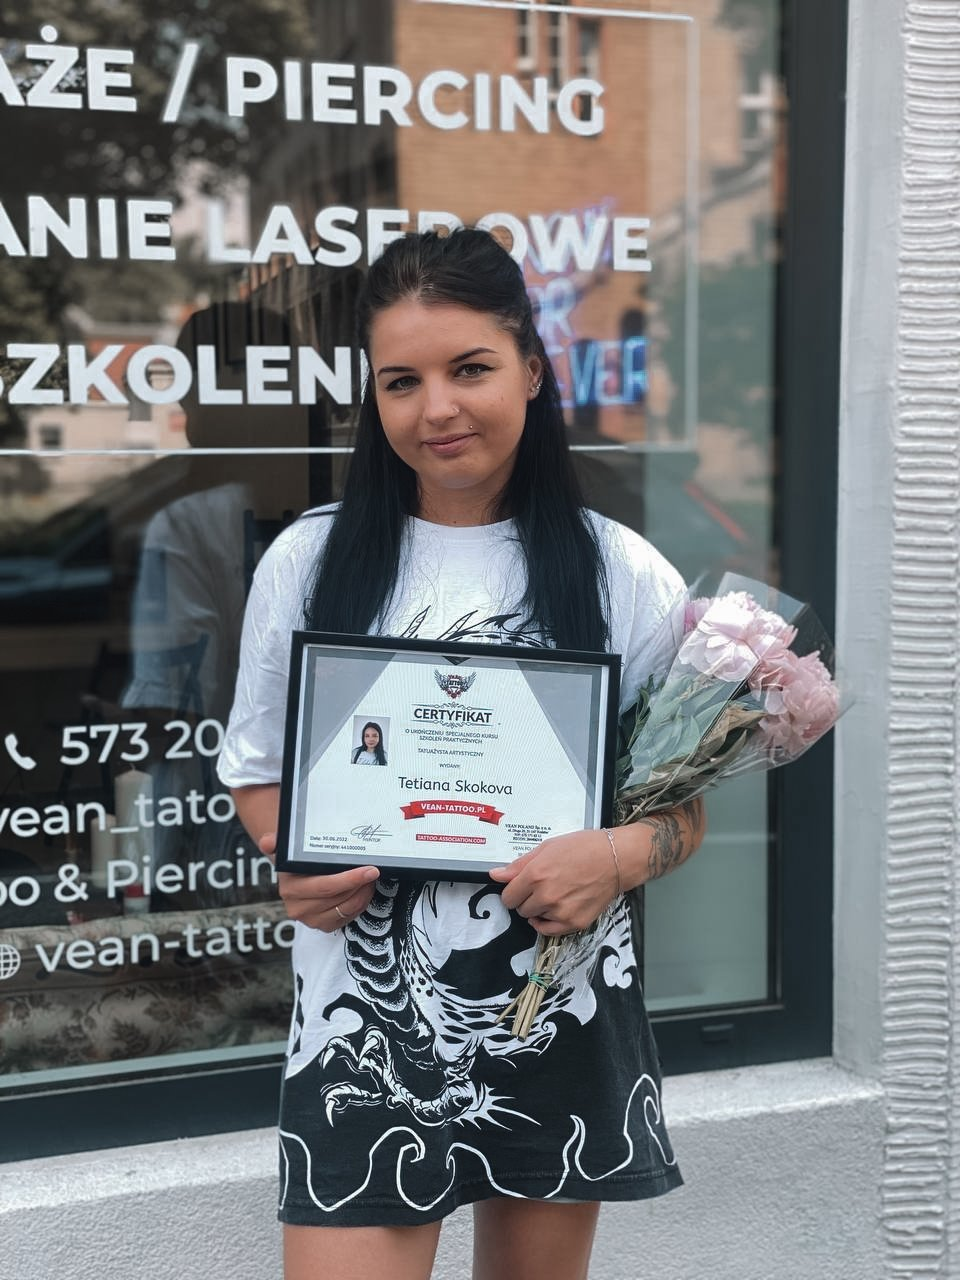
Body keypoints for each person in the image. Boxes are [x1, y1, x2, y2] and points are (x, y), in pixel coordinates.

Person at [218, 229, 706, 1280]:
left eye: (469, 368)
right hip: (360, 1028)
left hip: (559, 1008)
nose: (435, 408)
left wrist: (614, 856)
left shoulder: (623, 573)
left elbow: (683, 811)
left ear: (530, 368)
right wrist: (293, 859)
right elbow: (255, 771)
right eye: (401, 382)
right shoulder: (309, 560)